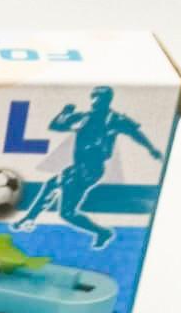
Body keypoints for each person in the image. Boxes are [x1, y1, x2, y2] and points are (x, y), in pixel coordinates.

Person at [14, 86, 163, 248]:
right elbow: (55, 126)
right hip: (78, 166)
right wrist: (65, 112)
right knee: (64, 208)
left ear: (108, 100)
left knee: (60, 195)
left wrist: (152, 149)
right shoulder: (83, 117)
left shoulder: (115, 119)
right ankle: (101, 232)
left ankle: (30, 218)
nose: (96, 100)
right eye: (94, 97)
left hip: (91, 169)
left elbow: (135, 133)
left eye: (101, 98)